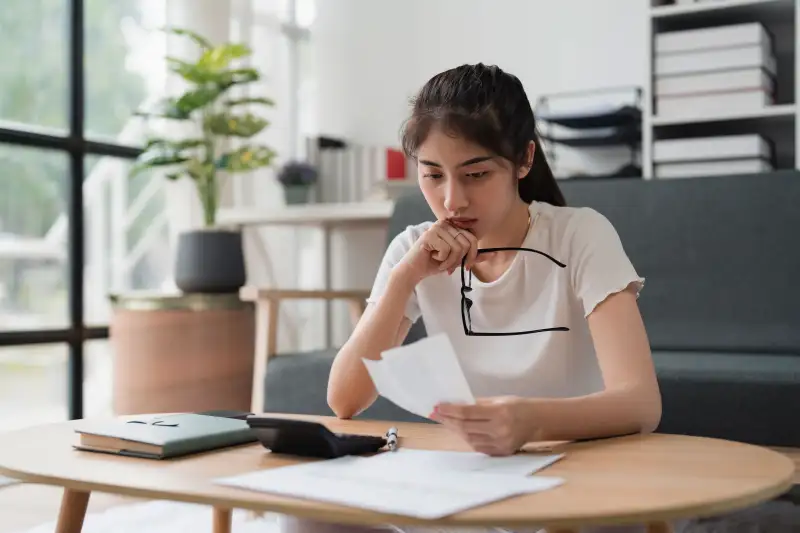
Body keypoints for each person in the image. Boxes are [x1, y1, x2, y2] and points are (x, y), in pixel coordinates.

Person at [281, 63, 663, 533]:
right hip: (467, 481)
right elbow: (344, 399)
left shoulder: (580, 235)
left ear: (524, 160)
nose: (452, 200)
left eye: (476, 174)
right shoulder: (414, 250)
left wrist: (530, 421)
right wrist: (405, 278)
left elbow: (641, 404)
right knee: (309, 522)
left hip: (571, 476)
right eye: (432, 174)